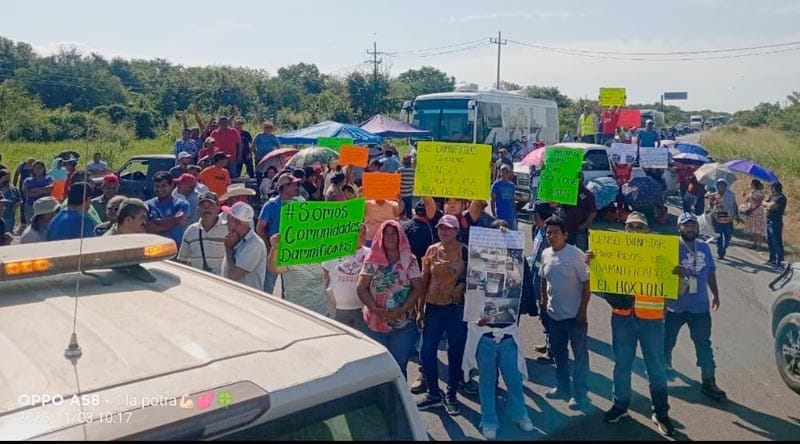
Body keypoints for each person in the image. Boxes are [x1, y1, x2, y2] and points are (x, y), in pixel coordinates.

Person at [584, 212, 676, 436]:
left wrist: (679, 277)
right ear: (625, 230)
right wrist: (593, 265)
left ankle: (661, 413)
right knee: (622, 365)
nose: (634, 230)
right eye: (630, 226)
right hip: (622, 319)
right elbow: (598, 285)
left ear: (647, 231)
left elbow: (675, 293)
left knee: (656, 369)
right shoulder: (614, 253)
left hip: (652, 322)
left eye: (639, 226)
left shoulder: (661, 255)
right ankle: (620, 405)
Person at [665, 212, 727, 401]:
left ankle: (709, 382)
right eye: (686, 225)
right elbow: (657, 271)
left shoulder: (704, 247)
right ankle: (663, 372)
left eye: (692, 225)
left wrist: (715, 294)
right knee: (666, 343)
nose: (690, 228)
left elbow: (710, 272)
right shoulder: (670, 247)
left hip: (700, 307)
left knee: (703, 345)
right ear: (679, 228)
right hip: (674, 306)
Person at [356, 220, 424, 379]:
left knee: (398, 368)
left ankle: (400, 403)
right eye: (386, 233)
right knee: (377, 369)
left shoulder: (409, 259)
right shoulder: (372, 259)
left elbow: (418, 287)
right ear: (380, 236)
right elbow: (361, 287)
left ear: (400, 236)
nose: (390, 237)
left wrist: (401, 309)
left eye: (394, 233)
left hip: (402, 323)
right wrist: (375, 309)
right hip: (374, 321)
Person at [415, 215, 469, 415]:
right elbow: (423, 281)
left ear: (456, 230)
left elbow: (475, 276)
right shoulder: (431, 250)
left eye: (448, 228)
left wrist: (461, 284)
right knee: (426, 351)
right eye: (440, 228)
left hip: (455, 308)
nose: (443, 232)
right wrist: (420, 310)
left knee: (455, 352)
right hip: (433, 307)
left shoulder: (465, 251)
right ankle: (433, 393)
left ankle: (452, 393)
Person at [539, 216, 591, 410]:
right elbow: (543, 278)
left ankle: (579, 394)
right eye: (548, 232)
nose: (551, 236)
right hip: (554, 316)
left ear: (565, 234)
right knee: (559, 355)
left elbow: (587, 285)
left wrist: (582, 312)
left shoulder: (576, 255)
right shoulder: (545, 253)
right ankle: (562, 387)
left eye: (555, 233)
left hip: (575, 317)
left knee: (579, 358)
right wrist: (543, 301)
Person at [256, 173, 304, 293]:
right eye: (293, 185)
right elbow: (260, 228)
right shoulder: (271, 205)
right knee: (268, 286)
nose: (296, 188)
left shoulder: (297, 204)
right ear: (284, 187)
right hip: (275, 251)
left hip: (291, 251)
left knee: (290, 287)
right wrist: (269, 247)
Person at [321, 224, 370, 330]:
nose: (363, 237)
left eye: (364, 234)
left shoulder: (370, 254)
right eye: (359, 234)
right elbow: (324, 276)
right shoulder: (333, 252)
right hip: (337, 309)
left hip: (361, 308)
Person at [523, 201, 554, 363]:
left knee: (547, 314)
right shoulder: (538, 231)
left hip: (545, 280)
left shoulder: (550, 236)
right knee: (543, 314)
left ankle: (552, 350)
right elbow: (535, 255)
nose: (532, 218)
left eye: (534, 215)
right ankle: (549, 343)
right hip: (536, 276)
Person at [178, 191, 227, 275]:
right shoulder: (190, 230)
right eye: (203, 206)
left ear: (218, 207)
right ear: (198, 209)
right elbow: (182, 260)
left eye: (211, 205)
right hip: (198, 283)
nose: (206, 209)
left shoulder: (227, 229)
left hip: (221, 283)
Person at [222, 202, 267, 291]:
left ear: (237, 222)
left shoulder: (255, 245)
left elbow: (233, 276)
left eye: (229, 218)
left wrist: (229, 249)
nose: (226, 222)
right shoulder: (235, 239)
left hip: (246, 301)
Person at [144, 171, 190, 248]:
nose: (159, 189)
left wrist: (156, 222)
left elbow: (179, 220)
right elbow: (148, 228)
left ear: (171, 185)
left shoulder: (182, 204)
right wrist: (171, 222)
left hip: (175, 249)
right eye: (157, 186)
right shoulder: (146, 205)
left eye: (163, 186)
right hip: (153, 248)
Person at [562, 174, 597, 251]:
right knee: (564, 252)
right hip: (565, 228)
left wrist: (584, 225)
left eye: (578, 177)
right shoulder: (566, 191)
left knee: (581, 254)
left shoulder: (587, 194)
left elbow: (593, 211)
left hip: (579, 229)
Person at [707, 178, 737, 260]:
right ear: (717, 186)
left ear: (726, 186)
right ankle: (721, 252)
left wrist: (734, 215)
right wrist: (711, 207)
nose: (721, 187)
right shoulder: (713, 195)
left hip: (728, 217)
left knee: (728, 235)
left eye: (723, 185)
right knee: (719, 235)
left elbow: (734, 205)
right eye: (719, 185)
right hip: (717, 218)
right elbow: (709, 206)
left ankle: (725, 246)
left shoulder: (731, 195)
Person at [763, 181, 786, 268]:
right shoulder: (772, 196)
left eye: (772, 187)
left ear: (774, 188)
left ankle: (780, 261)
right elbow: (764, 203)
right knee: (770, 241)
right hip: (769, 220)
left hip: (776, 222)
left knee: (776, 241)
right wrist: (767, 204)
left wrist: (768, 205)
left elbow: (771, 206)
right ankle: (772, 259)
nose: (770, 189)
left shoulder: (781, 198)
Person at [491, 164, 517, 230]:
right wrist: (494, 214)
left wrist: (515, 214)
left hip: (511, 216)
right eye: (502, 171)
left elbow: (513, 201)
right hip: (500, 215)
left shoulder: (512, 185)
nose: (503, 173)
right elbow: (492, 200)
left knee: (513, 234)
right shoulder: (496, 185)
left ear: (509, 173)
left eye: (506, 172)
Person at [741, 179, 765, 251]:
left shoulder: (759, 192)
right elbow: (747, 200)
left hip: (757, 212)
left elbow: (758, 200)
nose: (750, 185)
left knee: (758, 230)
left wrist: (751, 196)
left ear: (754, 184)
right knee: (753, 229)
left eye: (751, 184)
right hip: (751, 212)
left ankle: (759, 246)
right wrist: (745, 196)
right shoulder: (752, 192)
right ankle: (754, 244)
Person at [13, 157, 35, 228]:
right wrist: (14, 184)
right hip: (22, 185)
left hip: (32, 186)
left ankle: (31, 219)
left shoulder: (35, 166)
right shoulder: (21, 166)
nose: (31, 163)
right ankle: (23, 221)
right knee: (23, 202)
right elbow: (16, 174)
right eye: (30, 162)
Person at [0, 169, 22, 234]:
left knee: (7, 234)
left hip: (10, 217)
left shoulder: (14, 189)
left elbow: (20, 200)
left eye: (8, 178)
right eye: (5, 178)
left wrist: (16, 205)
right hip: (1, 216)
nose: (7, 180)